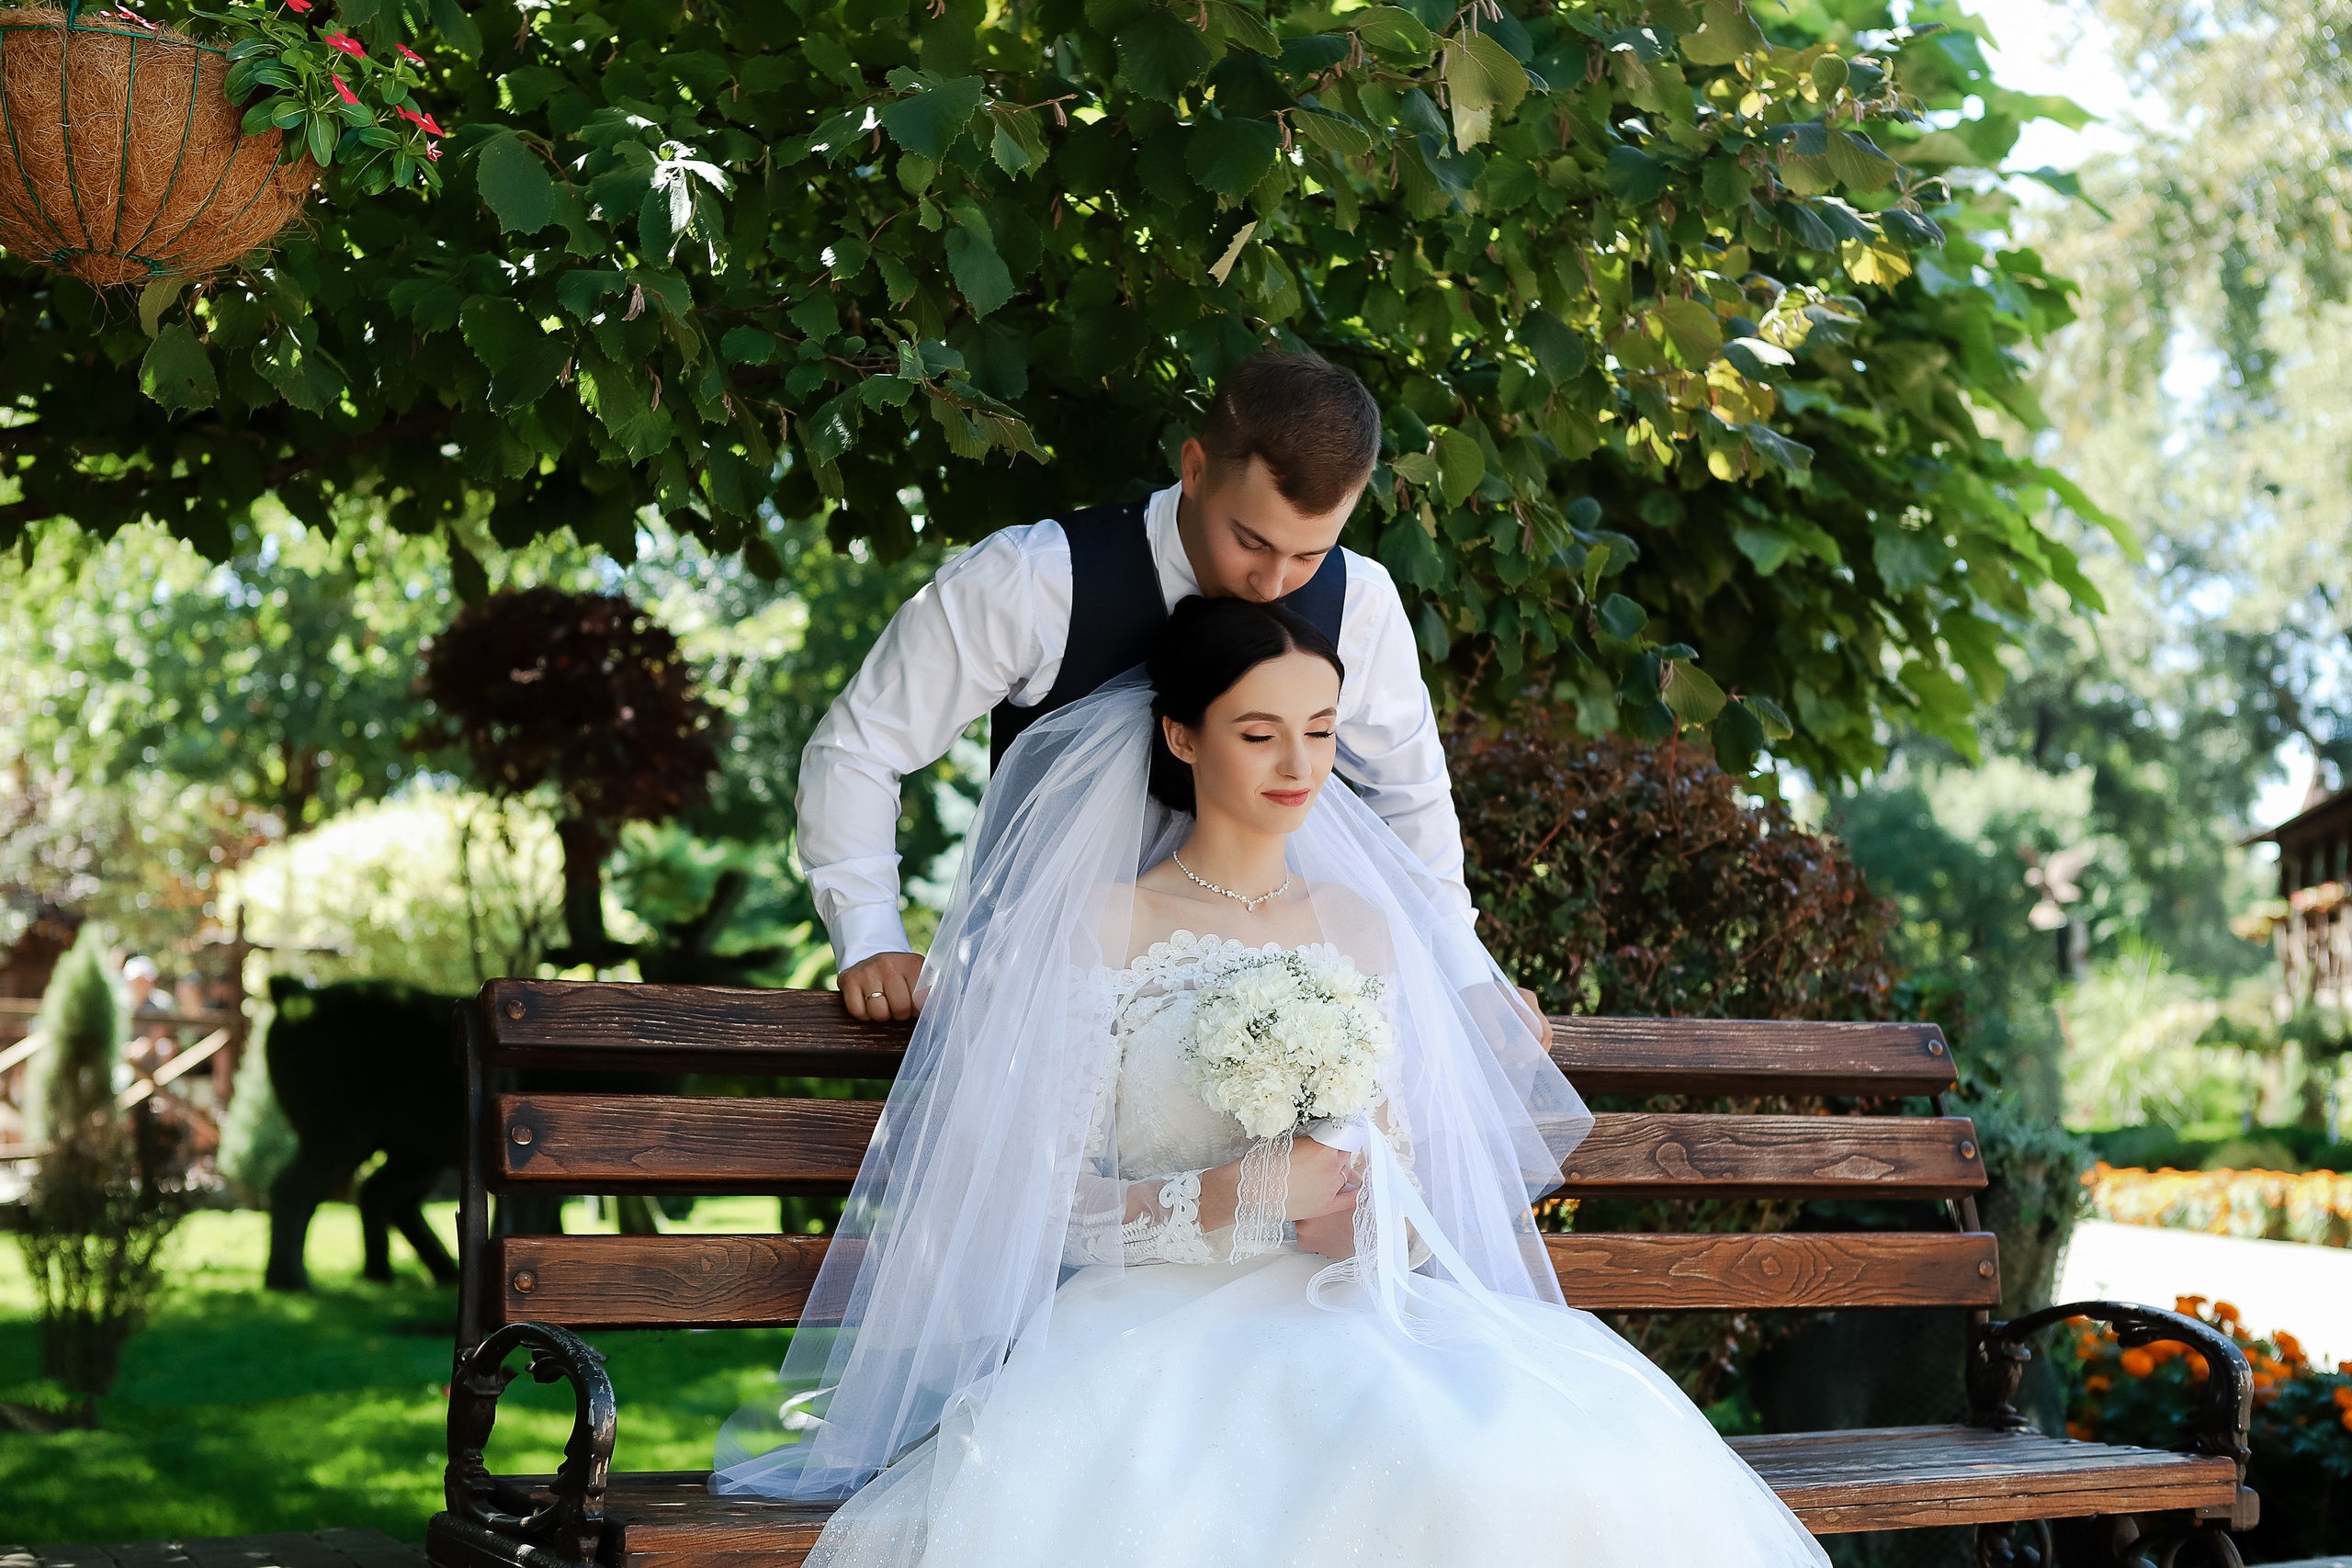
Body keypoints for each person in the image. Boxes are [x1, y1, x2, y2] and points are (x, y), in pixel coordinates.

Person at [714, 597, 1829, 1568]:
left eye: (1320, 733)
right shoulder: (1106, 924)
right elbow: (1040, 1206)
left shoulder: (1358, 923)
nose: (1299, 767)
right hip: (1151, 1321)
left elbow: (1393, 1160)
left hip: (1348, 1303)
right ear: (1182, 736)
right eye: (1259, 733)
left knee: (1543, 1459)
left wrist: (1368, 1220)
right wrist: (1239, 1194)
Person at [799, 352, 1505, 1024]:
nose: (1274, 583)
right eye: (1252, 541)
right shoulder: (1032, 580)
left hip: (1274, 1010)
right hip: (1041, 1003)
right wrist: (870, 933)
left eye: (1310, 554)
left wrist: (1468, 975)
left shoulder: (1361, 602)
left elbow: (1410, 798)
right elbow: (862, 744)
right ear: (1194, 467)